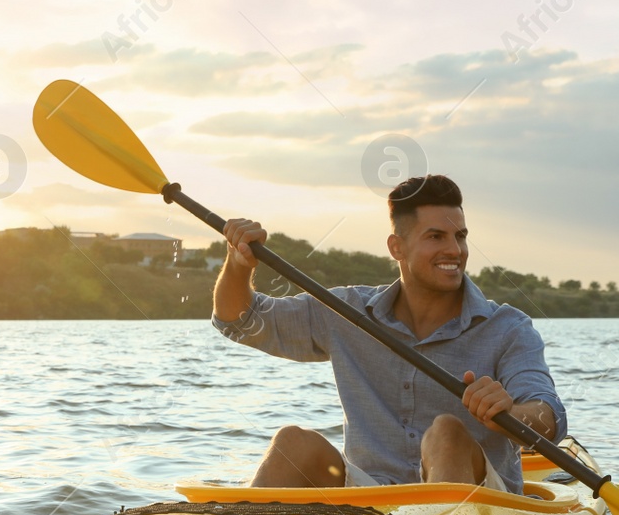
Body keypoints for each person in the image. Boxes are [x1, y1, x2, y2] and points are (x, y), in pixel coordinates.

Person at [211, 174, 564, 494]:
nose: (455, 251)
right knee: (292, 443)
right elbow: (239, 321)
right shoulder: (345, 310)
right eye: (436, 237)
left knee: (446, 434)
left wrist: (509, 414)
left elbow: (548, 418)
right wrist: (239, 265)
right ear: (397, 247)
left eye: (460, 236)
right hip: (373, 499)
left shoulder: (507, 327)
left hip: (483, 502)